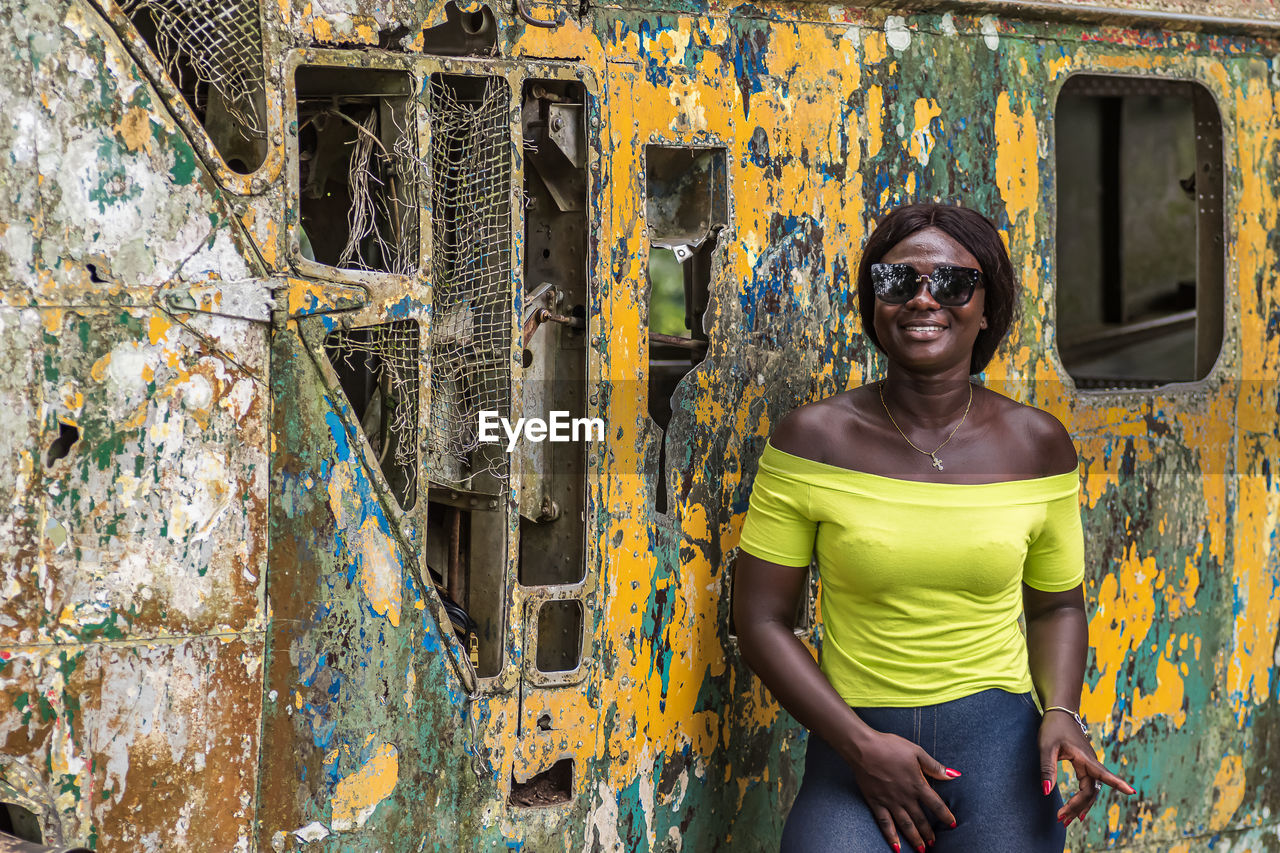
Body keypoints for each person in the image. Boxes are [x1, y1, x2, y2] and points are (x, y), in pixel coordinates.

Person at [733, 203, 1134, 853]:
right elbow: (760, 620)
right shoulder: (812, 439)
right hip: (852, 750)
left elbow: (1057, 605)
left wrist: (1060, 709)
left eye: (952, 283)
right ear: (874, 300)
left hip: (1001, 755)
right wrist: (862, 746)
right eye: (898, 280)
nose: (924, 299)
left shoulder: (1038, 445)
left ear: (986, 306)